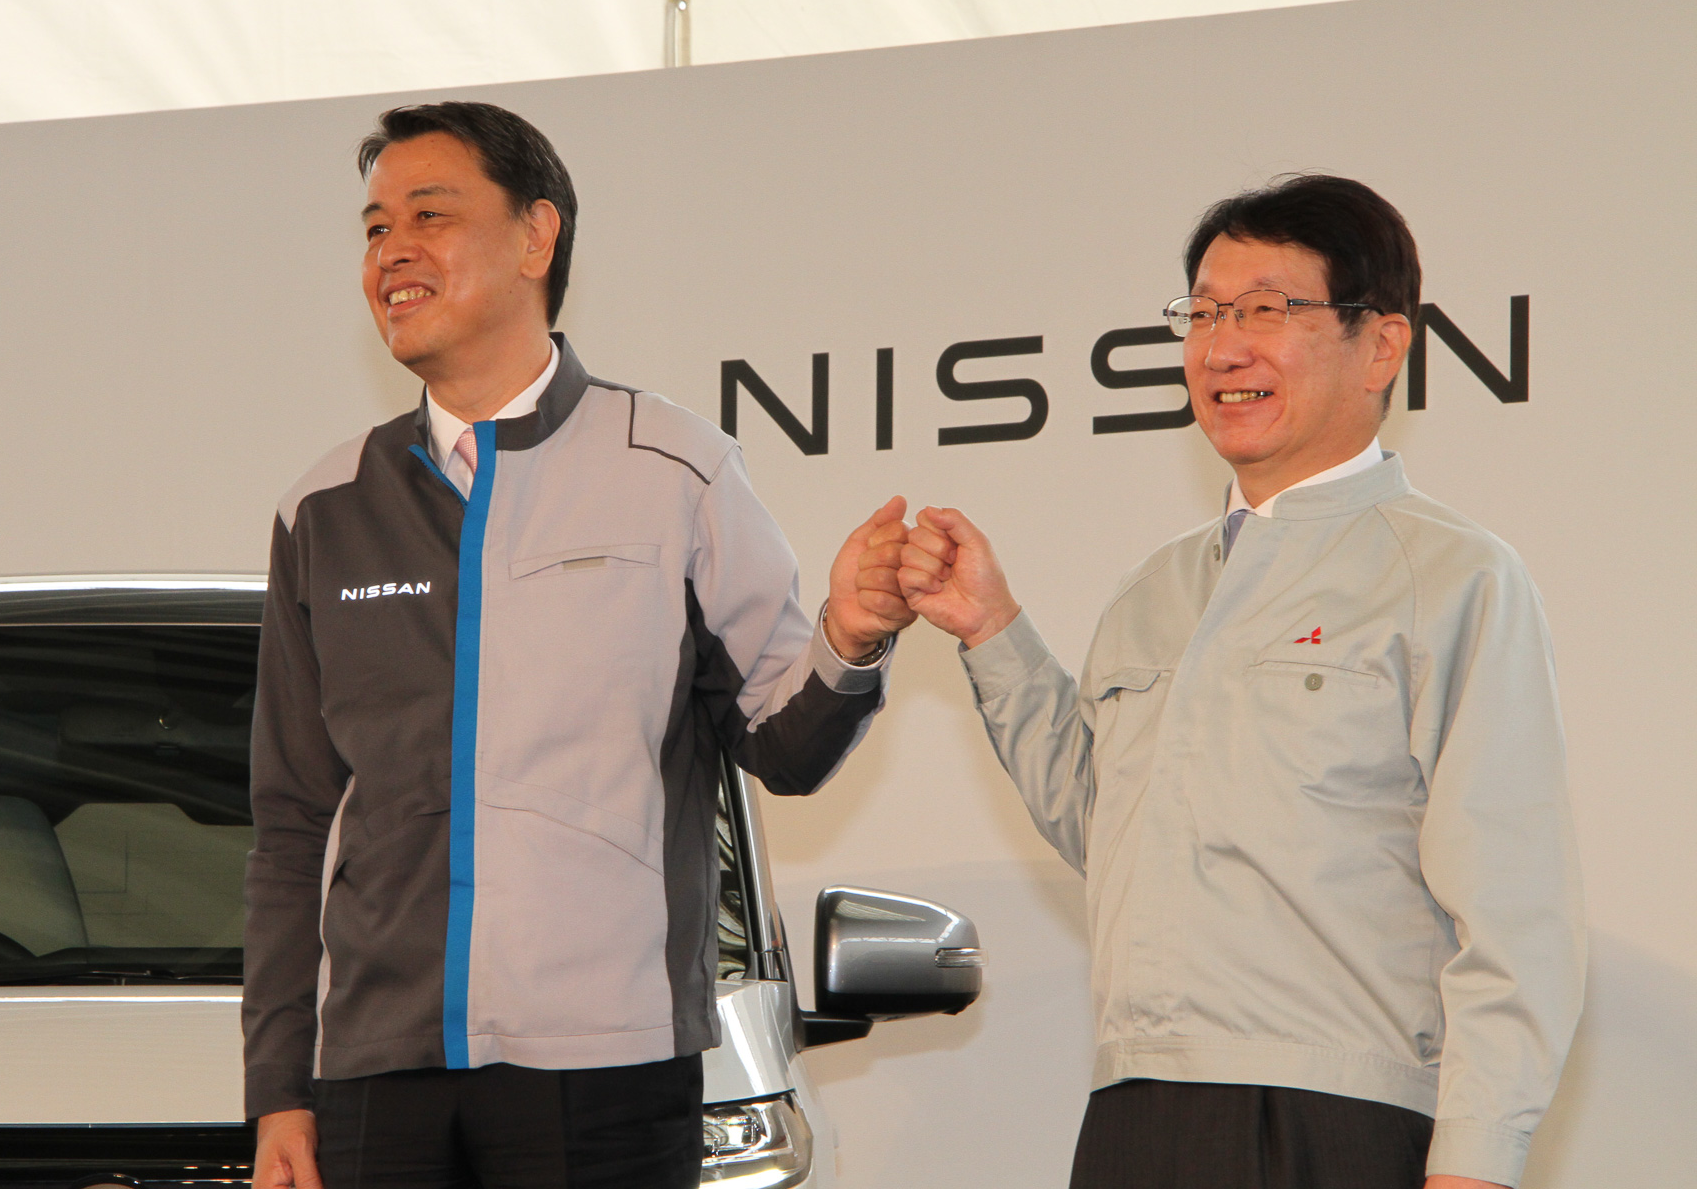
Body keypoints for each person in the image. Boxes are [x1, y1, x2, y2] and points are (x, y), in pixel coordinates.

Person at [243, 101, 914, 1189]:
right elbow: (291, 825)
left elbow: (783, 748)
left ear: (536, 236)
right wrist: (279, 1085)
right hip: (374, 1078)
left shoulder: (677, 471)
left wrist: (850, 636)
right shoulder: (323, 509)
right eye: (374, 229)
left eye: (429, 215)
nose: (392, 252)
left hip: (607, 1077)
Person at [898, 175, 1582, 1189]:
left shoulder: (1454, 576)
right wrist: (991, 631)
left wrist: (1477, 1162)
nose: (1222, 349)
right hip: (1133, 1111)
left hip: (1336, 1119)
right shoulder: (1154, 589)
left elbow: (1516, 909)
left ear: (1380, 346)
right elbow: (1108, 827)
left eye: (1266, 310)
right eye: (1205, 314)